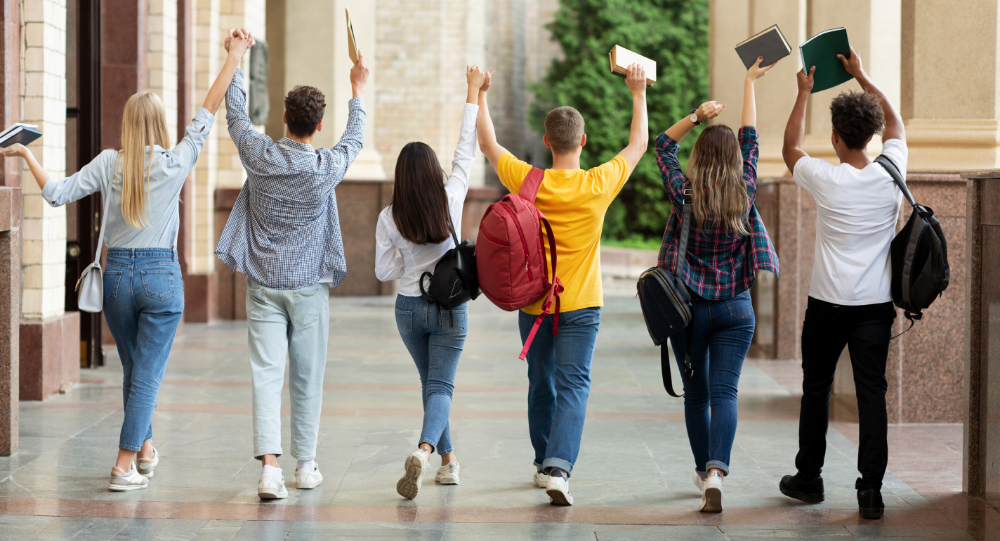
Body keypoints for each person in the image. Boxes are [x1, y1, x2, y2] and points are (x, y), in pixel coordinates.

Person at [1, 31, 254, 492]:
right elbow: (209, 107)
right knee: (147, 374)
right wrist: (235, 56)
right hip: (160, 279)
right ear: (158, 125)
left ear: (127, 124)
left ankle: (145, 450)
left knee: (136, 369)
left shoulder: (107, 163)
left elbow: (56, 194)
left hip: (116, 279)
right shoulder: (176, 160)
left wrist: (25, 154)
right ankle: (122, 465)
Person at [476, 63, 648, 506]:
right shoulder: (598, 183)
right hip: (582, 306)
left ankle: (542, 461)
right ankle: (559, 468)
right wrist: (637, 92)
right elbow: (638, 144)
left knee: (541, 381)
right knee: (574, 386)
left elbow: (489, 144)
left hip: (534, 305)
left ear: (548, 141)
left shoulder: (529, 180)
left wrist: (478, 93)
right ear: (583, 141)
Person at [214, 28, 370, 500]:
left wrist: (236, 60)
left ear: (283, 118)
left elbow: (235, 115)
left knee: (266, 374)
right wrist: (357, 88)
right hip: (308, 288)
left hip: (262, 283)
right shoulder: (325, 167)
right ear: (318, 126)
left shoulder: (259, 154)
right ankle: (305, 466)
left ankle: (269, 471)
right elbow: (355, 140)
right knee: (308, 375)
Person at [777, 47, 905, 520]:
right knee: (873, 393)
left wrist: (803, 94)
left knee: (817, 387)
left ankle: (808, 478)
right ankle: (870, 491)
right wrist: (863, 75)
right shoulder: (892, 169)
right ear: (871, 136)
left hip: (827, 305)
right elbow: (897, 125)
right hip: (875, 306)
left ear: (834, 138)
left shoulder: (825, 178)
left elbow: (790, 149)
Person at [655, 57, 780, 513]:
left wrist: (696, 116)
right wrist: (749, 82)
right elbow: (750, 138)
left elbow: (661, 147)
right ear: (734, 160)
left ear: (701, 157)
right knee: (726, 393)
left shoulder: (684, 192)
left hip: (688, 309)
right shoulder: (744, 187)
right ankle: (716, 473)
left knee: (698, 394)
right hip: (735, 309)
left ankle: (700, 468)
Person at [375, 66, 485, 500]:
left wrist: (405, 258)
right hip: (449, 305)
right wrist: (472, 92)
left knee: (431, 384)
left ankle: (448, 462)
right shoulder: (451, 197)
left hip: (407, 310)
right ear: (433, 171)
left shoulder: (389, 216)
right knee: (440, 385)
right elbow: (465, 150)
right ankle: (424, 451)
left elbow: (384, 272)